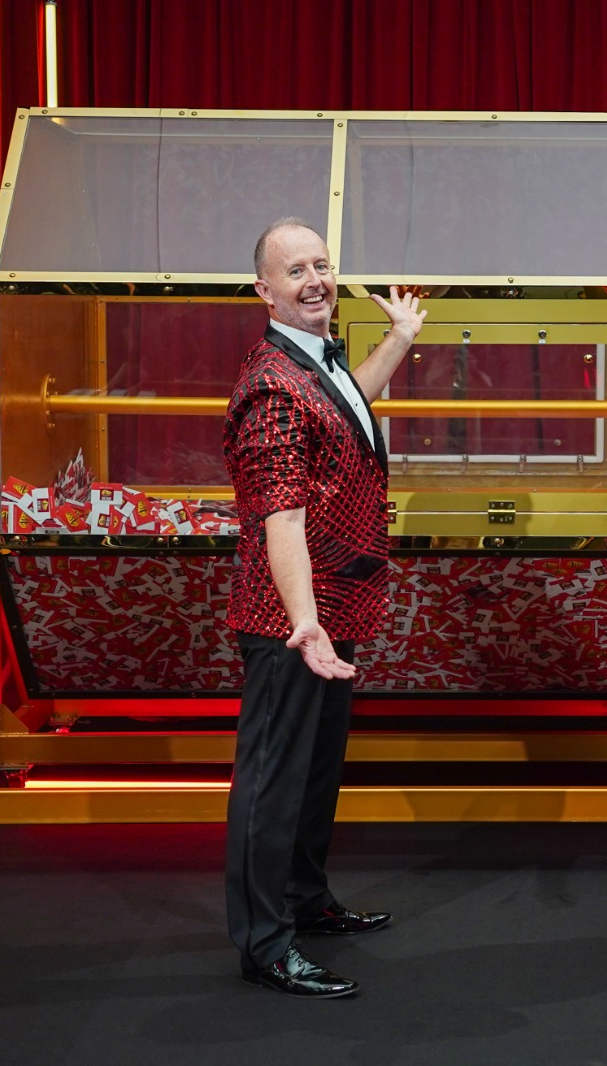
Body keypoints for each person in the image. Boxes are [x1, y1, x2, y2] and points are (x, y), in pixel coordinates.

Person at [222, 218, 426, 998]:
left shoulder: (313, 364)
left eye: (322, 265)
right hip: (291, 620)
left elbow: (345, 403)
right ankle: (265, 945)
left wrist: (399, 338)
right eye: (295, 270)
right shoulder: (272, 386)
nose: (315, 280)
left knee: (313, 773)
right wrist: (304, 620)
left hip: (328, 611)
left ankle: (305, 901)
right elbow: (282, 516)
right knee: (273, 785)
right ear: (264, 291)